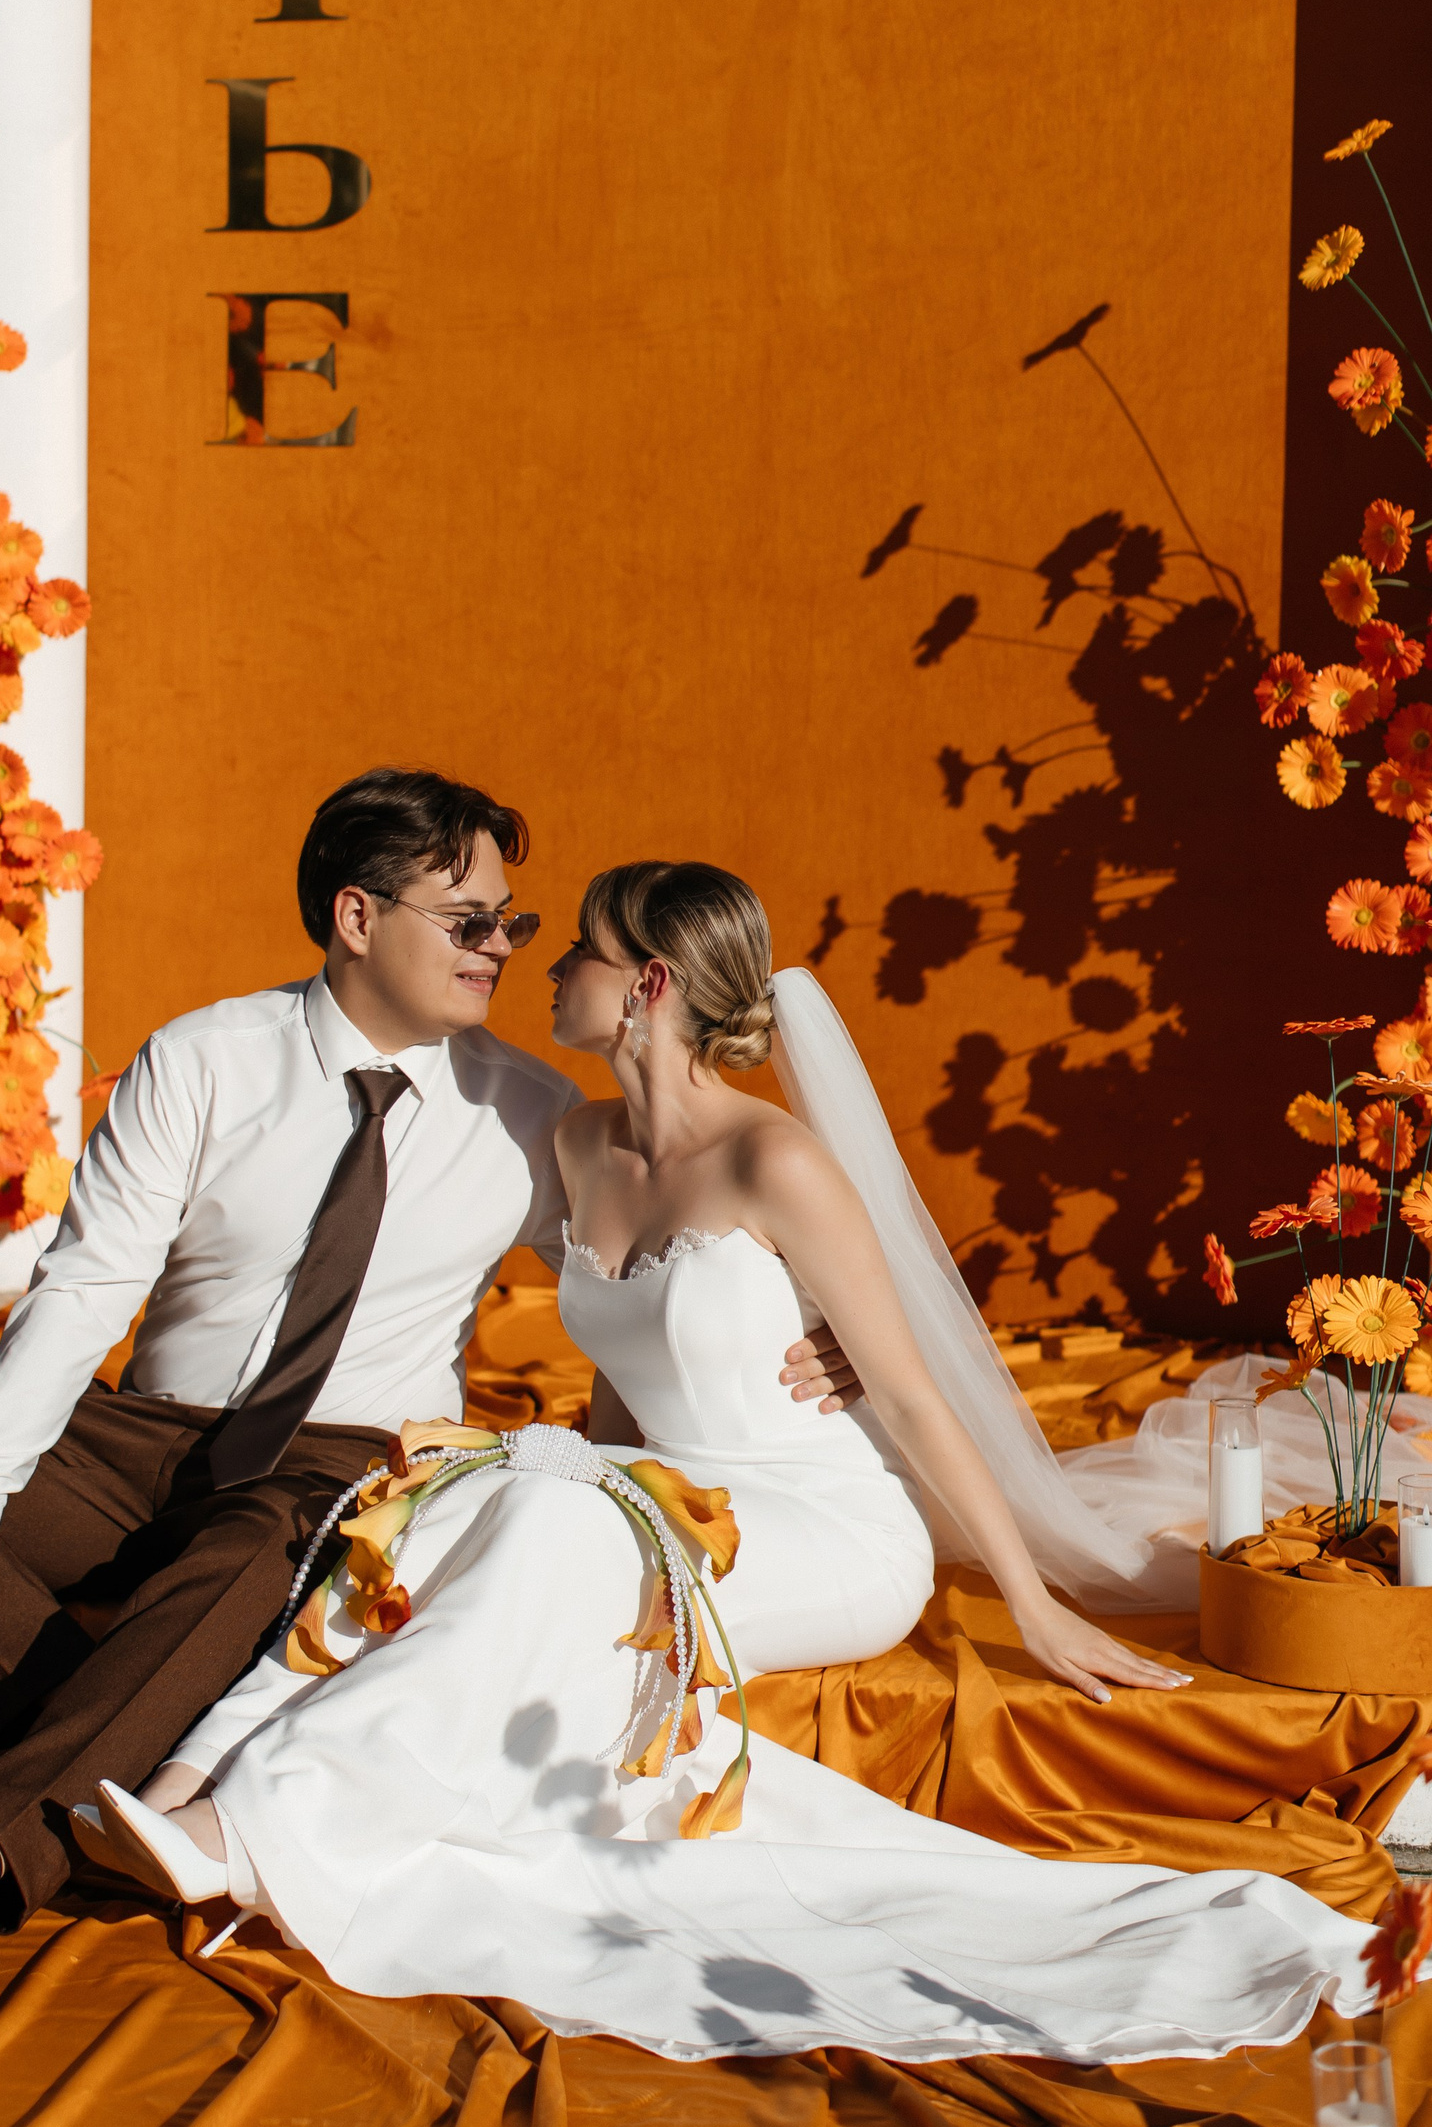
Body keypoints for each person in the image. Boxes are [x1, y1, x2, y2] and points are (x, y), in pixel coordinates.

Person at [84, 863, 1385, 2065]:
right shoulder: (580, 1145)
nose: (549, 968)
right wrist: (546, 1477)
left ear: (647, 984)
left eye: (580, 950)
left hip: (825, 1528)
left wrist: (1034, 1604)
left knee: (548, 1523)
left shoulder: (776, 1160)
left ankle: (264, 1824)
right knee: (446, 1499)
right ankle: (193, 1778)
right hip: (660, 1497)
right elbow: (621, 1378)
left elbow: (914, 1396)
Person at [0, 774, 862, 2011]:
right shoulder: (204, 1061)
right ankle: (126, 1749)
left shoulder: (535, 1118)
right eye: (469, 921)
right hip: (144, 1438)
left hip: (343, 1468)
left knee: (262, 1546)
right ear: (357, 916)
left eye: (511, 923)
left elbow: (667, 1270)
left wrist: (833, 1335)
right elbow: (82, 1294)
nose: (501, 947)